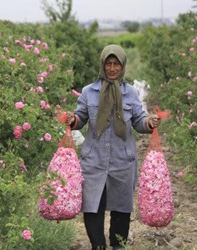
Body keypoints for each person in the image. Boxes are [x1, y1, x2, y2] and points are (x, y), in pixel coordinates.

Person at [65, 44, 160, 250]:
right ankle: (98, 246)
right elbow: (80, 117)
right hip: (94, 160)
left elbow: (139, 120)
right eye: (108, 63)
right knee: (92, 208)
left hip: (122, 160)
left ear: (122, 66)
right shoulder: (89, 92)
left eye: (116, 64)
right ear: (102, 65)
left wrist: (149, 124)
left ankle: (118, 246)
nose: (112, 68)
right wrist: (72, 119)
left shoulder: (131, 93)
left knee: (121, 210)